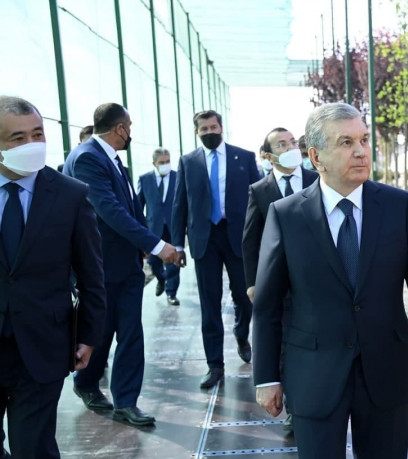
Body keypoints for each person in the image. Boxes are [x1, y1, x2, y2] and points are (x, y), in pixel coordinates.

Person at [252, 102, 408, 459]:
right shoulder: (286, 215)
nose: (361, 151)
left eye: (363, 140)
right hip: (313, 376)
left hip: (386, 373)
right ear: (316, 157)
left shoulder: (397, 206)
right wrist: (266, 376)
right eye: (346, 142)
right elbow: (266, 306)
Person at [0, 96, 105, 459]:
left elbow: (91, 273)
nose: (31, 144)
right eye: (17, 138)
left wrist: (89, 336)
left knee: (33, 451)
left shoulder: (70, 194)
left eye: (37, 134)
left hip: (42, 343)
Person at [64, 102, 178, 426]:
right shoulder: (87, 158)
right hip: (101, 265)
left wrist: (143, 245)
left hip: (125, 264)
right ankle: (87, 384)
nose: (130, 134)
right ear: (120, 128)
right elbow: (109, 211)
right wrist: (157, 245)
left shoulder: (112, 160)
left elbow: (131, 208)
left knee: (129, 332)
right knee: (101, 331)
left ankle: (125, 401)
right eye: (129, 127)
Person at [172, 109, 261, 389]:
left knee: (245, 297)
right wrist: (177, 244)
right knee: (209, 304)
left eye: (213, 127)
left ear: (221, 128)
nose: (209, 132)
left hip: (238, 237)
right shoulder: (188, 161)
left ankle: (241, 333)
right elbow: (180, 203)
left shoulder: (243, 157)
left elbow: (258, 198)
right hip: (204, 240)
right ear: (196, 132)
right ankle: (215, 365)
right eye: (204, 129)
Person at [243, 127, 319, 303]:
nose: (290, 148)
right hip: (277, 278)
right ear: (269, 157)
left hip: (316, 273)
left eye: (293, 142)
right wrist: (252, 283)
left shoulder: (317, 181)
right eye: (282, 145)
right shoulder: (259, 190)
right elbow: (250, 239)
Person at [138, 148, 181, 306]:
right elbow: (138, 205)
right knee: (153, 261)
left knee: (174, 262)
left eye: (168, 161)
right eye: (162, 162)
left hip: (173, 227)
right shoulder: (145, 179)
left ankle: (171, 293)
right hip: (153, 228)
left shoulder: (178, 177)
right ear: (154, 163)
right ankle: (161, 278)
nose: (165, 165)